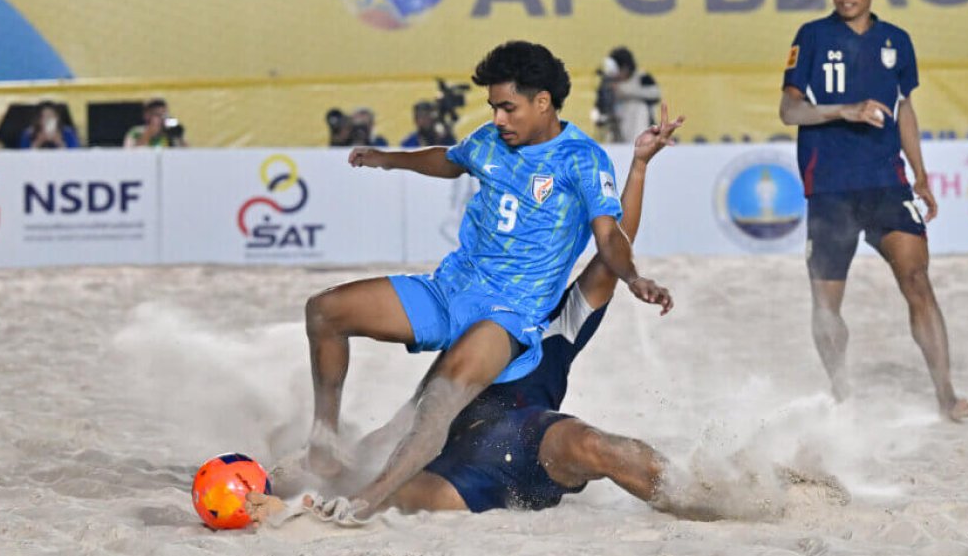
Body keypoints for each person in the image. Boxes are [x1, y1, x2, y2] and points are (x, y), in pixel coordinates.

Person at [247, 105, 764, 525]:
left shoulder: (553, 319)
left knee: (589, 444)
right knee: (357, 470)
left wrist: (639, 168)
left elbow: (612, 244)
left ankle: (703, 497)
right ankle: (285, 489)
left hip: (525, 437)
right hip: (440, 447)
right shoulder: (471, 302)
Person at [294, 40, 673, 524]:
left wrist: (635, 273)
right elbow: (449, 160)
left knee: (441, 403)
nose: (497, 118)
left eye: (507, 107)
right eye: (493, 107)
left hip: (504, 318)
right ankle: (323, 444)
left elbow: (611, 239)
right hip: (449, 290)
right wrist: (388, 158)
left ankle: (369, 499)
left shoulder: (580, 159)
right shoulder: (490, 141)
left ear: (543, 102)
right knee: (325, 311)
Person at [778, 0, 968, 423]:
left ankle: (946, 395)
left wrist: (922, 176)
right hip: (829, 187)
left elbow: (905, 109)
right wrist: (843, 110)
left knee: (917, 280)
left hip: (887, 185)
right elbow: (789, 110)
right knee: (826, 306)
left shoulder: (897, 42)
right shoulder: (810, 36)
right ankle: (843, 395)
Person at [595, 47, 661, 144]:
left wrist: (624, 90)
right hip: (616, 126)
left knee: (638, 107)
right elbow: (600, 107)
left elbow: (655, 94)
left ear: (625, 68)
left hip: (639, 125)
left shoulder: (642, 78)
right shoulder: (608, 82)